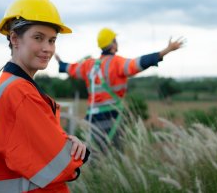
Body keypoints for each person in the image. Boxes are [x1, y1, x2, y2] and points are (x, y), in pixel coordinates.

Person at [0, 0, 90, 193]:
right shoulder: (21, 92)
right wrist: (78, 151)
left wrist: (63, 140)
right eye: (38, 38)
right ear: (14, 38)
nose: (47, 48)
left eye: (52, 40)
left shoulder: (10, 82)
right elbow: (63, 164)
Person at [55, 27, 184, 147]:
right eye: (115, 40)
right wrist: (166, 51)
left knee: (95, 157)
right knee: (115, 157)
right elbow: (139, 63)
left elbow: (70, 68)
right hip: (111, 118)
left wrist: (60, 63)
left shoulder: (89, 65)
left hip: (92, 119)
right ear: (112, 44)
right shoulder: (116, 63)